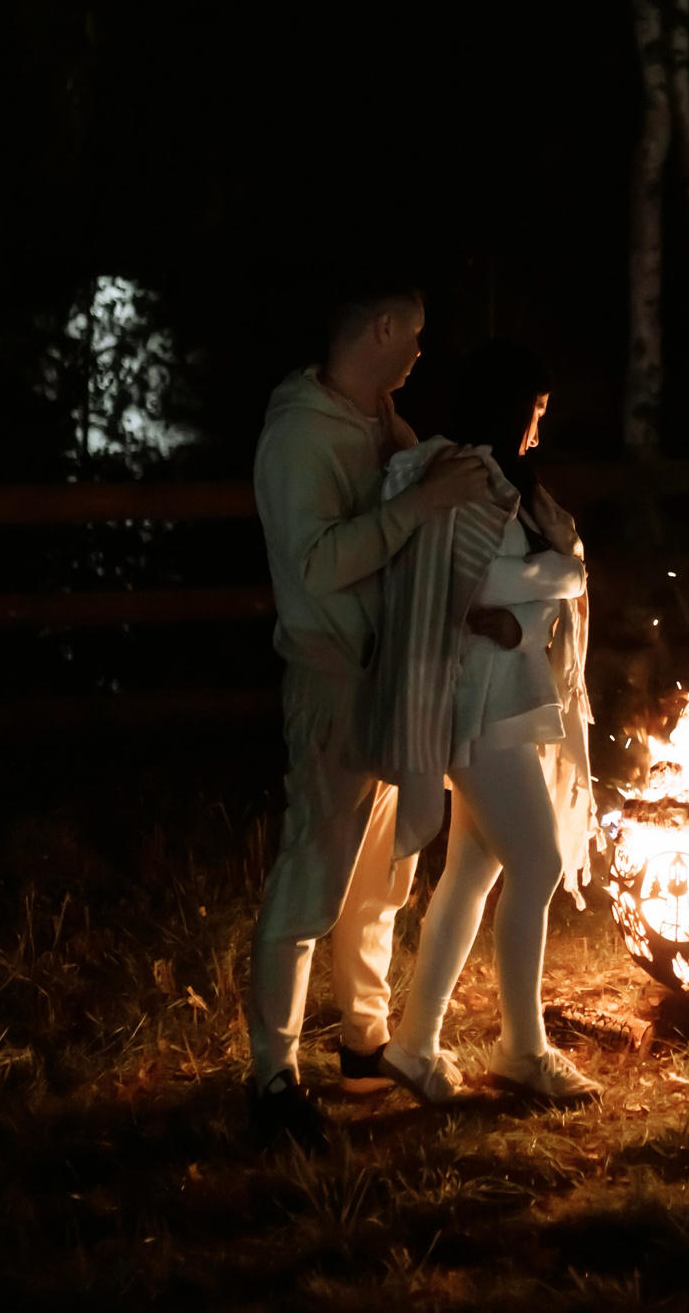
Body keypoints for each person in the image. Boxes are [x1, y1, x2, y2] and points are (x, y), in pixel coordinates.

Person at [246, 275, 494, 1151]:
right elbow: (314, 565)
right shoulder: (297, 437)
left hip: (388, 677)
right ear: (381, 327)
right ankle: (273, 1070)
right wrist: (414, 507)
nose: (421, 351)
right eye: (414, 334)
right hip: (331, 678)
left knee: (381, 870)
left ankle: (364, 1037)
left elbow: (410, 504)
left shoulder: (375, 422)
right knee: (314, 865)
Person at [376, 340, 602, 1107]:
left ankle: (414, 1044)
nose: (539, 432)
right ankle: (522, 1050)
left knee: (475, 871)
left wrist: (532, 589)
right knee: (535, 865)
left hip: (512, 695)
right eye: (534, 414)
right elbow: (459, 571)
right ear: (508, 409)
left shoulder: (511, 483)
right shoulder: (455, 476)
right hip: (476, 700)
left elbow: (560, 572)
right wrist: (523, 591)